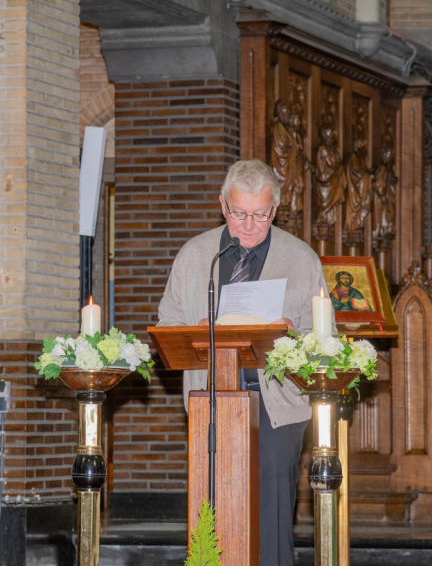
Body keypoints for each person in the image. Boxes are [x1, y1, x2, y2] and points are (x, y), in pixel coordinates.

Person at [157, 159, 329, 566]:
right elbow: (167, 325)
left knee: (270, 515)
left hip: (278, 403)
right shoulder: (197, 256)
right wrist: (194, 331)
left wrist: (292, 335)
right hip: (212, 399)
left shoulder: (301, 259)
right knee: (213, 507)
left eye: (260, 214)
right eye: (238, 213)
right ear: (222, 205)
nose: (248, 224)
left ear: (275, 209)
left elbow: (325, 341)